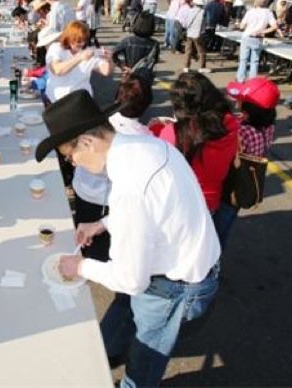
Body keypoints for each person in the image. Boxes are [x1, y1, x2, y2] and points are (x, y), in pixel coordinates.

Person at [34, 90, 221, 388]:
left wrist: (81, 266)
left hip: (176, 287)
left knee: (144, 363)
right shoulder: (143, 144)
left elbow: (131, 280)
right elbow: (157, 206)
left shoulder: (128, 187)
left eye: (71, 157)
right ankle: (107, 351)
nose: (74, 164)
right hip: (189, 264)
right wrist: (102, 223)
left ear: (88, 142)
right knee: (128, 318)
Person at [71, 74, 153, 262]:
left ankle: (82, 258)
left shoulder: (98, 120)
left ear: (117, 97)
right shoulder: (143, 138)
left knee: (82, 230)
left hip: (83, 188)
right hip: (105, 201)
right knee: (105, 243)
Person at [157, 72, 240, 247]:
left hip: (180, 205)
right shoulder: (231, 124)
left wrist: (157, 130)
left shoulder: (172, 133)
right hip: (211, 201)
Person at [222, 77, 279, 242]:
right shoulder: (268, 126)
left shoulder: (242, 131)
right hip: (246, 186)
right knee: (227, 224)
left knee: (218, 227)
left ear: (246, 109)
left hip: (230, 186)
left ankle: (212, 263)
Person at [45, 20, 113, 103]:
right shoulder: (56, 48)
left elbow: (106, 71)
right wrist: (79, 58)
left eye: (84, 40)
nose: (82, 43)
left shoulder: (88, 52)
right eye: (78, 41)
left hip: (81, 101)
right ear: (69, 38)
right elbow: (57, 70)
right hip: (58, 101)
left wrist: (109, 60)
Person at [236, 0, 278, 82]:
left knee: (243, 59)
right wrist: (262, 31)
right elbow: (274, 27)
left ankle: (240, 79)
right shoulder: (268, 12)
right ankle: (252, 81)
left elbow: (242, 26)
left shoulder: (250, 11)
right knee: (254, 61)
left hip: (247, 36)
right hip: (258, 38)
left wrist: (241, 25)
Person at [111, 11, 159, 81]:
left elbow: (112, 53)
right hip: (146, 78)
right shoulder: (155, 44)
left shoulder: (128, 41)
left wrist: (122, 66)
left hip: (129, 75)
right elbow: (154, 61)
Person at [182, 0, 210, 73]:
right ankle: (202, 67)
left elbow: (186, 22)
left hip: (189, 33)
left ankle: (186, 67)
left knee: (188, 51)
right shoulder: (203, 12)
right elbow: (206, 23)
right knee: (201, 51)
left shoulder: (190, 10)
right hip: (198, 33)